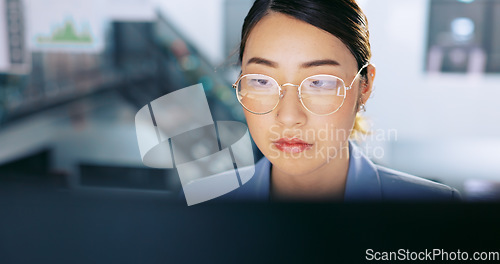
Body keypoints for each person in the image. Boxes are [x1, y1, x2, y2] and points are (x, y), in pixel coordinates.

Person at [216, 0, 461, 202]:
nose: (289, 116)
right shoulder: (198, 207)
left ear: (365, 86)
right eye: (261, 81)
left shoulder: (434, 210)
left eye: (319, 82)